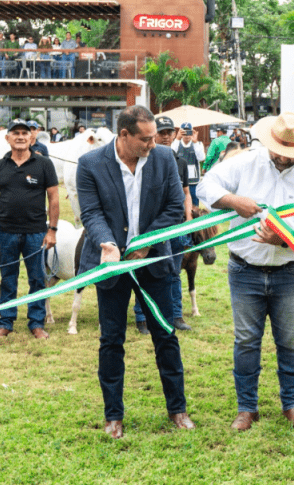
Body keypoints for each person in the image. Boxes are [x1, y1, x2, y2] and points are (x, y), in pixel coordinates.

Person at [198, 112, 294, 431]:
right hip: (245, 270)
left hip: (289, 271)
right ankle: (247, 408)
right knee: (246, 341)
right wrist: (234, 201)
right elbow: (205, 186)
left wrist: (286, 239)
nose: (283, 156)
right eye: (279, 149)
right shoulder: (245, 163)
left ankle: (292, 405)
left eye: (291, 152)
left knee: (291, 340)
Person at [75, 105, 193, 439]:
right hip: (112, 266)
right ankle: (113, 416)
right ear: (124, 135)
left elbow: (174, 208)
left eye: (155, 137)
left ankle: (178, 410)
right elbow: (91, 213)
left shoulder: (165, 159)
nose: (154, 144)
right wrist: (108, 244)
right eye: (146, 139)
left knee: (166, 336)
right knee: (111, 340)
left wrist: (146, 243)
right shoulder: (90, 164)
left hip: (153, 262)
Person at [0, 119, 59, 340]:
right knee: (8, 278)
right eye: (15, 133)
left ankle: (36, 323)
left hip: (36, 232)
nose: (20, 137)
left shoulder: (44, 164)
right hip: (6, 232)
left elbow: (54, 198)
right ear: (7, 138)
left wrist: (52, 230)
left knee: (37, 279)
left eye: (25, 133)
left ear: (31, 138)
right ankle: (5, 323)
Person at [132, 116, 195, 334]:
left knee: (174, 272)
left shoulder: (180, 162)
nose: (166, 136)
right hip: (152, 229)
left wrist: (188, 218)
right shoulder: (142, 160)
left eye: (169, 132)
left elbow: (186, 193)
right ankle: (142, 316)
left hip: (175, 227)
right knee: (143, 271)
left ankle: (176, 314)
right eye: (161, 132)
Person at [171, 122, 206, 206]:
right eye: (184, 132)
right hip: (180, 180)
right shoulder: (176, 144)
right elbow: (171, 155)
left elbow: (201, 158)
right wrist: (177, 139)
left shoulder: (198, 144)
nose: (186, 135)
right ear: (180, 132)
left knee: (194, 203)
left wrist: (195, 142)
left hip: (194, 181)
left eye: (189, 132)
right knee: (180, 203)